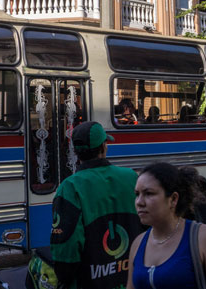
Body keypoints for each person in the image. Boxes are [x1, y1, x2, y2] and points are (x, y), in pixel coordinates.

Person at [51, 121, 141, 289]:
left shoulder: (70, 187)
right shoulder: (130, 177)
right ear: (103, 147)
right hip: (130, 279)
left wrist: (64, 277)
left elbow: (66, 248)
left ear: (77, 153)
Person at [127, 163, 206, 289]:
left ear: (173, 199)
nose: (139, 202)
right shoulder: (138, 244)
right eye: (137, 194)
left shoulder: (203, 238)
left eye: (149, 193)